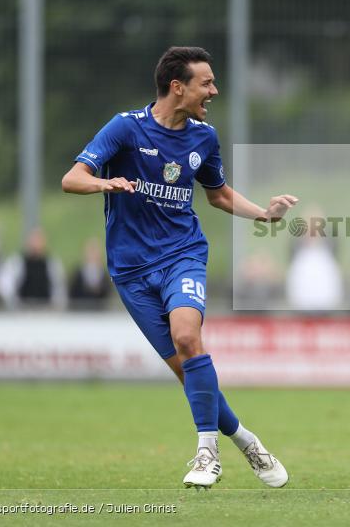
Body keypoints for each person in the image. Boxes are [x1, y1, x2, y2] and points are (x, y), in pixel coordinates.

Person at [62, 46, 298, 489]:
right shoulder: (124, 128)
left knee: (188, 338)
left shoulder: (203, 137)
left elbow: (219, 194)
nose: (214, 90)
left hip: (182, 255)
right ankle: (247, 442)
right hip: (130, 271)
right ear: (178, 86)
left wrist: (264, 215)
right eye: (206, 82)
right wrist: (103, 182)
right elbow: (71, 179)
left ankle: (207, 454)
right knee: (188, 369)